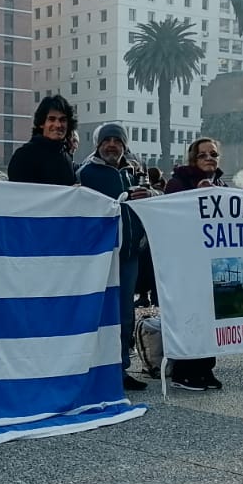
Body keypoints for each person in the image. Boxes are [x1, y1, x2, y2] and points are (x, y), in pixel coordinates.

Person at [75, 123, 152, 393]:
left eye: (117, 141)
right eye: (106, 140)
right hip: (100, 256)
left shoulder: (133, 173)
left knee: (124, 315)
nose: (111, 145)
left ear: (124, 144)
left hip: (129, 255)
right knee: (97, 313)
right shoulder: (86, 173)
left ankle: (120, 369)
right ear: (97, 145)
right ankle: (91, 369)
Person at [164, 137, 226, 391]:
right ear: (193, 159)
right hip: (185, 262)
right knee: (189, 317)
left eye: (214, 154)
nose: (210, 158)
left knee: (209, 316)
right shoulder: (177, 182)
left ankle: (205, 368)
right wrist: (194, 196)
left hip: (210, 262)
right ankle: (184, 371)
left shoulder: (220, 184)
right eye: (203, 155)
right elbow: (170, 216)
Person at [7, 95, 79, 186]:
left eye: (63, 120)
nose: (58, 125)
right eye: (52, 119)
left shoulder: (66, 158)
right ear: (41, 123)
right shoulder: (24, 156)